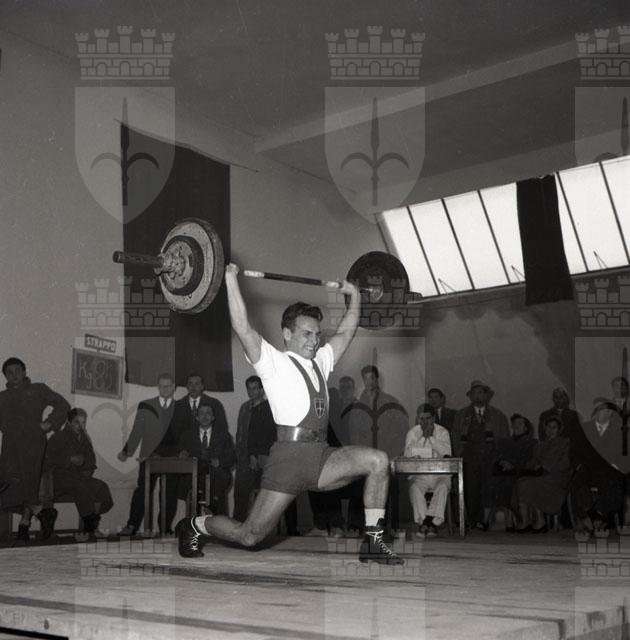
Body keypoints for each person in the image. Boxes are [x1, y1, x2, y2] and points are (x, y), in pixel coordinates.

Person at [177, 263, 403, 564]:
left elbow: (347, 331)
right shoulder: (272, 362)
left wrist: (356, 296)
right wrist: (230, 279)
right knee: (249, 535)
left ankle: (373, 542)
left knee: (378, 461)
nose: (314, 340)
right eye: (307, 334)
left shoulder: (321, 361)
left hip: (321, 456)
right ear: (287, 334)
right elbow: (243, 327)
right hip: (288, 460)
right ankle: (194, 525)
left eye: (317, 334)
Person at [0, 357, 70, 543]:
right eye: (9, 372)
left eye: (17, 370)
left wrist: (50, 423)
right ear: (5, 376)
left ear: (24, 372)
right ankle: (41, 514)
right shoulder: (2, 397)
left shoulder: (38, 389)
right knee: (10, 485)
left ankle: (24, 525)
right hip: (10, 446)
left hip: (33, 444)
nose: (14, 375)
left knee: (29, 483)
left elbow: (63, 405)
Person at [158, 373, 230, 531]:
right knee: (169, 482)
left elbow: (222, 434)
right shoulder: (177, 406)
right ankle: (166, 528)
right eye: (190, 383)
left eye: (197, 383)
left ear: (203, 386)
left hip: (210, 462)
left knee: (215, 483)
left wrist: (217, 457)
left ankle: (219, 527)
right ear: (186, 386)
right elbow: (172, 436)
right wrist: (180, 452)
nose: (194, 386)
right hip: (187, 462)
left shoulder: (214, 404)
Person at [234, 376, 300, 534]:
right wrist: (247, 456)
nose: (252, 392)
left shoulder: (273, 407)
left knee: (282, 491)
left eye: (255, 388)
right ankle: (237, 528)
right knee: (241, 493)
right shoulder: (245, 408)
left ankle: (290, 530)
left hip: (271, 457)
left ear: (262, 390)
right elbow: (243, 434)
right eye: (249, 388)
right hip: (248, 458)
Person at [117, 373, 177, 536]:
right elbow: (137, 431)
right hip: (148, 457)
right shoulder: (146, 405)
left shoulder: (181, 407)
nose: (165, 389)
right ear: (158, 387)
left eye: (168, 386)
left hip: (172, 459)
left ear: (173, 387)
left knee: (168, 494)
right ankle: (132, 526)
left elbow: (181, 436)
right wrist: (126, 452)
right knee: (142, 491)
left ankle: (165, 528)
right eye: (161, 386)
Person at [45, 408, 113, 537]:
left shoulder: (85, 439)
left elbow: (91, 461)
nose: (81, 426)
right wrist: (69, 459)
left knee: (101, 486)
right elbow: (47, 459)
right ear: (69, 422)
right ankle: (90, 527)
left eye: (83, 422)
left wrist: (87, 469)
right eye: (77, 422)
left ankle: (93, 522)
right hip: (59, 480)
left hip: (79, 478)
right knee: (81, 486)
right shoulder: (58, 437)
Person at [451, 380, 509, 530]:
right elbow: (455, 436)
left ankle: (485, 520)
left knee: (488, 487)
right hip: (469, 457)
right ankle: (472, 520)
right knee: (470, 489)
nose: (478, 396)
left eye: (481, 393)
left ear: (487, 396)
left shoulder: (498, 416)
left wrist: (500, 457)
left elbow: (504, 438)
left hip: (491, 457)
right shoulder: (461, 415)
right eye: (474, 393)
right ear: (470, 396)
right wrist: (461, 453)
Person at [515, 417, 572, 532]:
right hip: (541, 476)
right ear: (544, 428)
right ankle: (526, 521)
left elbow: (566, 463)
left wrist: (546, 467)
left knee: (533, 484)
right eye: (548, 427)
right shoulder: (539, 445)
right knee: (521, 482)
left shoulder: (565, 443)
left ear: (559, 430)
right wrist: (530, 466)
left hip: (557, 477)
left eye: (554, 428)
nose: (550, 430)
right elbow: (532, 462)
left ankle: (540, 521)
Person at [481, 414, 536, 531]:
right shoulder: (504, 442)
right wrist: (502, 462)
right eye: (514, 423)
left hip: (520, 473)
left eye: (520, 423)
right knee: (490, 483)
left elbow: (529, 459)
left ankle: (510, 522)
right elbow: (496, 455)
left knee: (509, 484)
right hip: (503, 471)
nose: (516, 425)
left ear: (526, 428)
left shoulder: (531, 442)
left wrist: (513, 464)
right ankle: (485, 521)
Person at [177, 404, 236, 515]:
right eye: (201, 413)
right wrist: (182, 455)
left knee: (219, 478)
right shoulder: (187, 436)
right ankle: (199, 517)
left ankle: (215, 511)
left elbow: (232, 458)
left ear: (213, 417)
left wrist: (220, 462)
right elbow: (180, 456)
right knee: (189, 483)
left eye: (208, 413)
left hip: (216, 477)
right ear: (197, 417)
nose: (205, 416)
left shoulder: (224, 435)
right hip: (195, 478)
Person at [404, 404, 452, 538]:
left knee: (443, 487)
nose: (424, 422)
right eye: (421, 419)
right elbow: (407, 454)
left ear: (434, 418)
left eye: (428, 418)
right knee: (414, 488)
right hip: (420, 474)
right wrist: (422, 438)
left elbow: (447, 453)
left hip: (440, 474)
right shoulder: (412, 433)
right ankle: (428, 524)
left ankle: (427, 523)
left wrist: (431, 438)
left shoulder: (442, 432)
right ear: (417, 419)